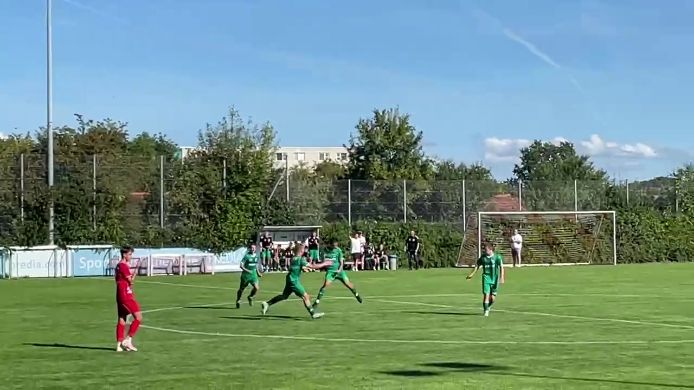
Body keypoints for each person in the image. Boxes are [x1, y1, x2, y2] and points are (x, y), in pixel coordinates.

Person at [261, 244, 330, 319]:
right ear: (301, 250)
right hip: (294, 280)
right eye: (304, 249)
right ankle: (313, 313)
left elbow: (296, 268)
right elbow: (312, 266)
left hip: (289, 278)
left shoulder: (293, 258)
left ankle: (267, 304)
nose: (305, 250)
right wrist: (324, 263)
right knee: (305, 296)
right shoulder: (301, 259)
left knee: (284, 296)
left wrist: (303, 268)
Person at [313, 239, 362, 308]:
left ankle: (356, 295)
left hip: (339, 271)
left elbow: (341, 261)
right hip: (330, 272)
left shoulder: (338, 250)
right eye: (334, 246)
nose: (335, 247)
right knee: (325, 285)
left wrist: (339, 269)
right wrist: (324, 264)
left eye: (336, 245)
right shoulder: (324, 250)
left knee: (349, 284)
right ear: (330, 244)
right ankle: (317, 301)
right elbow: (323, 260)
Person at [466, 242, 505, 317]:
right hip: (486, 277)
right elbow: (477, 266)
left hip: (495, 278)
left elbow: (501, 267)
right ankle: (486, 311)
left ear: (491, 250)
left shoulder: (497, 257)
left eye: (486, 250)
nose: (485, 251)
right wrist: (471, 274)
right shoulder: (483, 258)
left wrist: (502, 277)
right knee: (486, 295)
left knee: (493, 298)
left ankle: (488, 306)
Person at [115, 245, 142, 352]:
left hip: (119, 295)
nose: (131, 256)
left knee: (122, 319)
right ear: (124, 254)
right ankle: (128, 339)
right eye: (130, 254)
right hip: (125, 295)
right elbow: (130, 281)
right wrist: (133, 277)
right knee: (138, 317)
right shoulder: (123, 266)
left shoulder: (118, 265)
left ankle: (118, 345)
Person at [236, 243, 262, 308]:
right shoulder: (246, 256)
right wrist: (247, 270)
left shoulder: (256, 256)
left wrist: (258, 272)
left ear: (255, 249)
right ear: (250, 249)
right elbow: (241, 266)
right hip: (246, 275)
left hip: (253, 274)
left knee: (256, 288)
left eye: (254, 248)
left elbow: (255, 265)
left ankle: (250, 296)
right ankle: (238, 300)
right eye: (251, 248)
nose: (253, 249)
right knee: (241, 289)